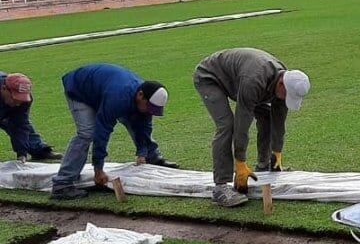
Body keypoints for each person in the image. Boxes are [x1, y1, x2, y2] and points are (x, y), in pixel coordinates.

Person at [193, 48, 310, 208]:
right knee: (227, 125)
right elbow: (242, 123)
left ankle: (264, 165)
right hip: (211, 77)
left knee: (267, 116)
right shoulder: (254, 80)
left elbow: (278, 120)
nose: (286, 99)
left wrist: (277, 153)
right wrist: (240, 163)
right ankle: (220, 188)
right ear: (282, 84)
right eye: (287, 95)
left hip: (238, 80)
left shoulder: (285, 80)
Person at [51, 64, 174, 200]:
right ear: (140, 95)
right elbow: (102, 131)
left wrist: (142, 152)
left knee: (137, 120)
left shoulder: (144, 98)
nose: (149, 111)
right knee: (87, 133)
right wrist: (98, 169)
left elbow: (144, 127)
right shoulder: (118, 98)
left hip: (103, 89)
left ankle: (152, 157)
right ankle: (62, 184)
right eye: (148, 107)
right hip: (79, 88)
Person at [0, 72, 62, 163]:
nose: (18, 103)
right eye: (15, 98)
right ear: (4, 89)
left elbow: (20, 124)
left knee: (22, 126)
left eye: (21, 99)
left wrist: (21, 154)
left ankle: (38, 150)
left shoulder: (23, 100)